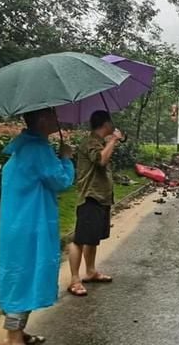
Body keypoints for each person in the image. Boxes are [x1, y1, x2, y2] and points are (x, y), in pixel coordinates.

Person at [0, 108, 75, 345]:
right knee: (23, 279)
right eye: (53, 116)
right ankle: (13, 337)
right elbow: (61, 181)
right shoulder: (38, 149)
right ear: (42, 120)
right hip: (31, 225)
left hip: (18, 223)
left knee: (19, 276)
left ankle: (19, 332)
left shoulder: (23, 147)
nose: (57, 120)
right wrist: (66, 158)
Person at [68, 110, 123, 296]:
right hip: (90, 197)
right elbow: (101, 160)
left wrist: (110, 142)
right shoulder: (90, 142)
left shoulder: (99, 142)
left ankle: (90, 271)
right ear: (105, 124)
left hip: (101, 197)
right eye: (111, 123)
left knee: (93, 238)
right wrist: (113, 140)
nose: (113, 126)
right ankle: (74, 280)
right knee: (80, 239)